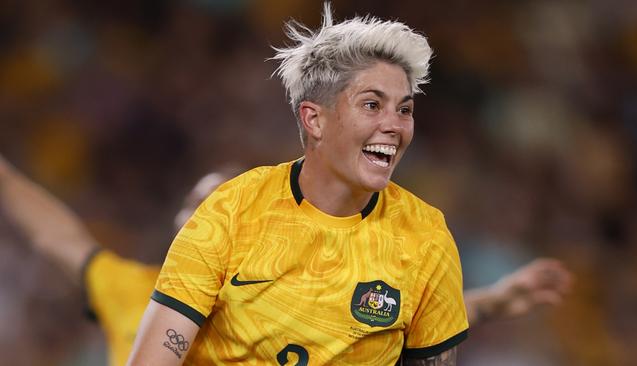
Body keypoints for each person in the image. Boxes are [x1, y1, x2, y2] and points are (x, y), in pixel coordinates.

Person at [123, 4, 571, 365]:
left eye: (404, 109)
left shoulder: (426, 237)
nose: (394, 126)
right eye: (372, 105)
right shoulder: (231, 210)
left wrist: (491, 303)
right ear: (314, 119)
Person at [0, 153, 573, 365]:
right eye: (198, 208)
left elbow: (390, 328)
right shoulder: (136, 289)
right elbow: (58, 237)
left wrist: (493, 301)